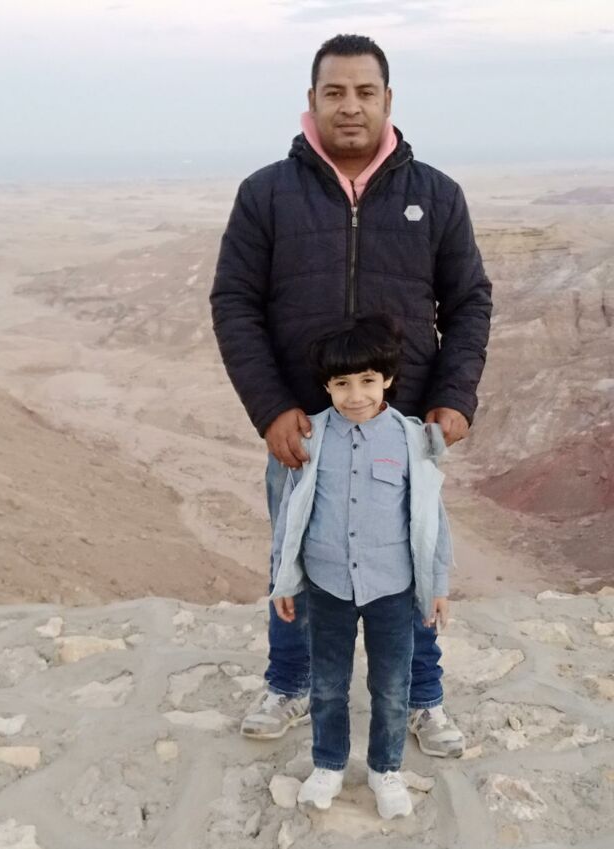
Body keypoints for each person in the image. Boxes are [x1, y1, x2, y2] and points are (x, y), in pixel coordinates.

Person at [210, 33, 492, 757]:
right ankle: (290, 681)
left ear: (387, 100)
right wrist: (271, 408)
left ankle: (422, 695)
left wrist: (454, 395)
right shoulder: (267, 194)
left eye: (365, 92)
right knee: (297, 551)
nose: (350, 106)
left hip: (405, 427)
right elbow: (235, 303)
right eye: (334, 92)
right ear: (311, 100)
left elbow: (469, 301)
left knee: (414, 552)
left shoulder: (436, 195)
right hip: (304, 430)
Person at [269, 315, 452, 818]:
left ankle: (385, 770)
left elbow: (431, 517)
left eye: (368, 380)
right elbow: (291, 515)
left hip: (392, 588)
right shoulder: (312, 437)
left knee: (391, 688)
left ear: (388, 378)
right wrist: (284, 580)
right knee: (328, 685)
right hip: (328, 586)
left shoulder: (413, 440)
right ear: (326, 385)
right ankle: (328, 765)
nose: (355, 396)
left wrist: (437, 584)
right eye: (342, 384)